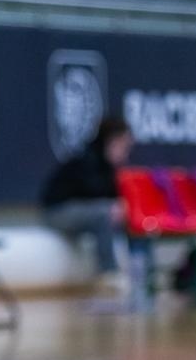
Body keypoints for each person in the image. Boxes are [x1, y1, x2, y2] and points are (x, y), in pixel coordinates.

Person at [41, 116, 135, 294]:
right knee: (105, 212)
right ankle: (108, 273)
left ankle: (138, 269)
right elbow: (91, 192)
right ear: (113, 141)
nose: (126, 152)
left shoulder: (111, 167)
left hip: (83, 212)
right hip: (58, 212)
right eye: (124, 146)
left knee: (123, 212)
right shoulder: (87, 159)